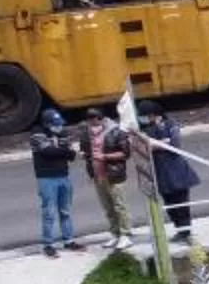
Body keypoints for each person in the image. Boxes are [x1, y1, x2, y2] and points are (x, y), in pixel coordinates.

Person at [27, 108, 83, 258]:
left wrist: (60, 151)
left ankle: (69, 240)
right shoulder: (36, 133)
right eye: (55, 124)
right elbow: (47, 152)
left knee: (65, 211)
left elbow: (71, 155)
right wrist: (63, 151)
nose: (59, 127)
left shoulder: (63, 133)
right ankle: (48, 244)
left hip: (64, 175)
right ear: (47, 123)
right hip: (46, 178)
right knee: (49, 213)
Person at [140, 107, 198, 244]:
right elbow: (145, 146)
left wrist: (157, 143)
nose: (146, 119)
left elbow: (174, 144)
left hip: (177, 171)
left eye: (148, 115)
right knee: (170, 205)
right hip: (160, 173)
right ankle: (180, 230)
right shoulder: (146, 129)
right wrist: (163, 142)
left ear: (155, 114)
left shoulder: (171, 125)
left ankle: (186, 232)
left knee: (182, 204)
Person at [77, 109, 133, 247]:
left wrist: (105, 157)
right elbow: (85, 151)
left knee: (119, 205)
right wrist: (85, 155)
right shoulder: (86, 134)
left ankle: (126, 234)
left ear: (100, 119)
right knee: (108, 207)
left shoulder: (116, 132)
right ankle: (115, 233)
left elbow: (125, 153)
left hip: (114, 174)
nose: (92, 124)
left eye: (94, 121)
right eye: (89, 121)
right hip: (97, 176)